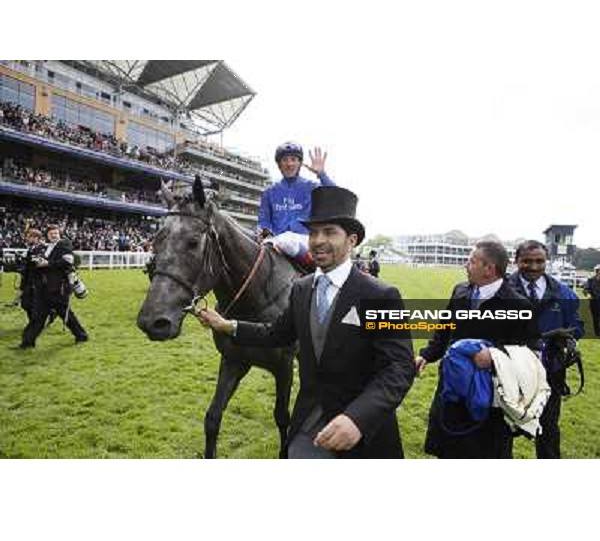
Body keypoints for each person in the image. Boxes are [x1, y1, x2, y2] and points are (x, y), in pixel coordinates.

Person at [198, 186, 416, 458]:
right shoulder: (301, 289)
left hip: (363, 435)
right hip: (306, 427)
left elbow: (399, 368)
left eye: (329, 232)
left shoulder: (382, 296)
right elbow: (275, 334)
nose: (318, 240)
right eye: (313, 233)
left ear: (352, 240)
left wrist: (358, 419)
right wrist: (228, 325)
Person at [415, 240, 538, 459]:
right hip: (453, 389)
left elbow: (527, 354)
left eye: (471, 261)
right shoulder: (460, 291)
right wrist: (426, 355)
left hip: (489, 399)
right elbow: (444, 330)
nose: (465, 265)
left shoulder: (519, 305)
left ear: (489, 269)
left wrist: (494, 356)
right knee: (449, 451)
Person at [507, 241, 584, 459]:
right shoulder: (501, 290)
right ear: (516, 261)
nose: (533, 266)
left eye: (539, 261)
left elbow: (577, 326)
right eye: (527, 261)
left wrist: (569, 339)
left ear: (546, 261)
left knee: (548, 429)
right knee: (502, 430)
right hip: (509, 372)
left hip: (551, 372)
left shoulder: (565, 293)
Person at [257, 142, 335, 263]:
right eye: (285, 160)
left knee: (287, 240)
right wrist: (263, 230)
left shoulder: (311, 187)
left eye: (293, 159)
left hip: (304, 240)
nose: (289, 164)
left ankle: (315, 266)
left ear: (299, 163)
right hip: (277, 241)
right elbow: (264, 221)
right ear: (279, 164)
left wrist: (321, 174)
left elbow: (336, 195)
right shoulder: (269, 192)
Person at [19, 225, 88, 349]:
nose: (53, 235)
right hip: (45, 288)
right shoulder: (45, 247)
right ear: (47, 235)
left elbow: (67, 261)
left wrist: (47, 263)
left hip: (59, 288)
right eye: (51, 233)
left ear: (59, 234)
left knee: (66, 315)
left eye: (55, 233)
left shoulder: (64, 244)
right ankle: (27, 342)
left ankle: (81, 335)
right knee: (38, 317)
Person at [19, 228, 46, 322]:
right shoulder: (30, 248)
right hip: (28, 279)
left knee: (32, 303)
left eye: (28, 236)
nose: (26, 238)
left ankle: (35, 321)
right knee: (25, 303)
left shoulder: (42, 249)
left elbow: (40, 264)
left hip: (38, 281)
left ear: (36, 238)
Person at [583, 265, 600, 336]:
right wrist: (588, 294)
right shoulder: (590, 280)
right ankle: (597, 332)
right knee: (596, 318)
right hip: (595, 303)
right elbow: (586, 289)